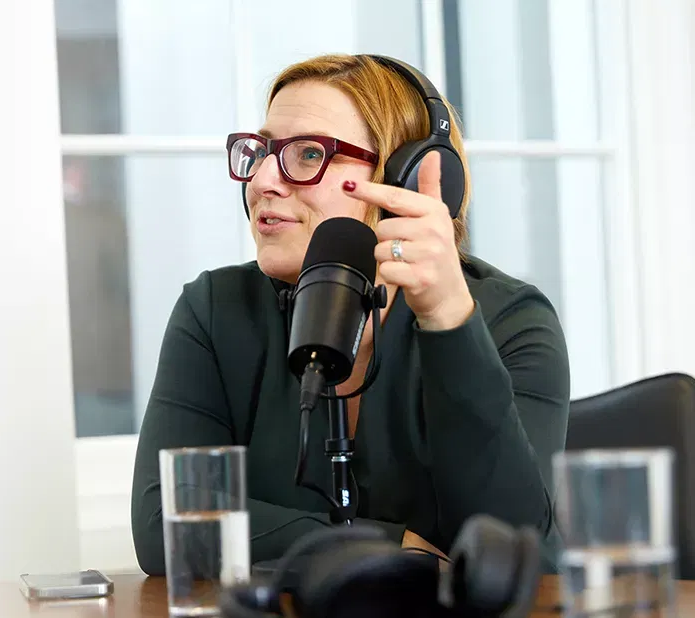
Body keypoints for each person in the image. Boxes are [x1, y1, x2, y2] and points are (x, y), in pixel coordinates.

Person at [130, 53, 570, 575]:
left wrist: (448, 319)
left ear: (403, 180)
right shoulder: (214, 309)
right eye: (262, 151)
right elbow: (169, 523)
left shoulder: (512, 320)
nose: (263, 180)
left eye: (309, 153)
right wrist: (390, 546)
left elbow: (516, 548)